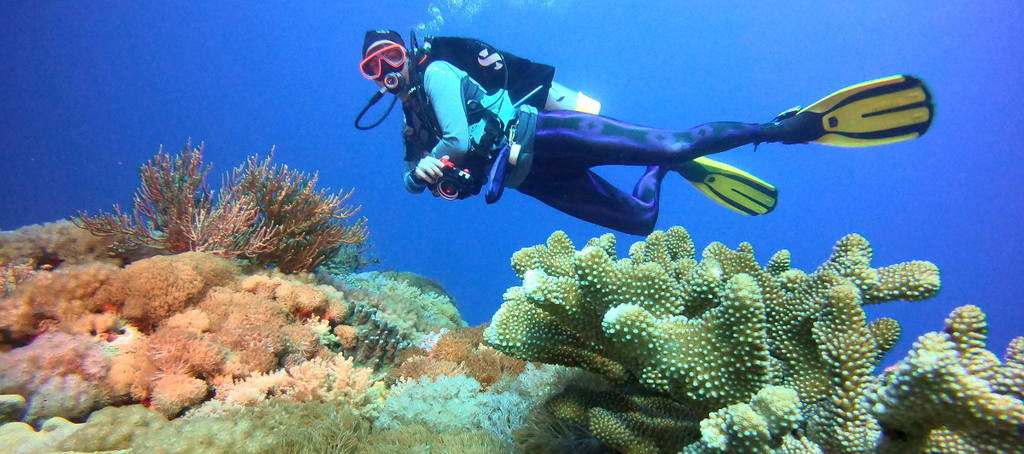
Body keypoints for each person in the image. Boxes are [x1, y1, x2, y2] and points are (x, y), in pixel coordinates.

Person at [356, 30, 933, 235]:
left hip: (544, 136)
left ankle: (784, 127)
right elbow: (430, 180)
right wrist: (422, 176)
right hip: (532, 180)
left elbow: (456, 140)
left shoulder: (435, 72)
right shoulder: (410, 124)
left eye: (386, 59)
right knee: (640, 220)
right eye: (372, 70)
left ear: (404, 51)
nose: (385, 74)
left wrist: (433, 162)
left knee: (679, 140)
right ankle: (658, 168)